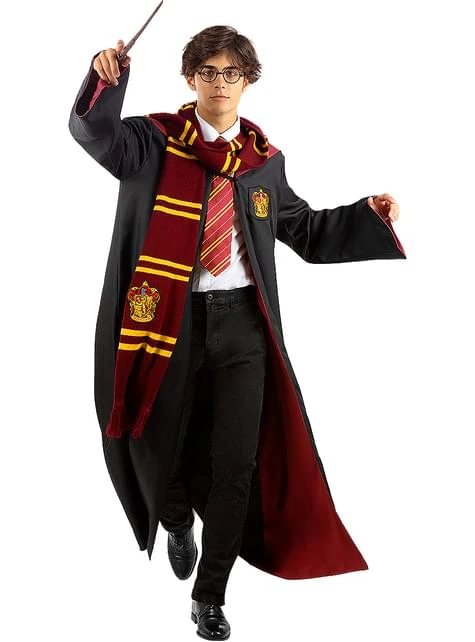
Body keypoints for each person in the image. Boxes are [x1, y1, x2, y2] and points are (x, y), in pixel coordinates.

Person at [68, 24, 406, 640]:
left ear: (247, 81)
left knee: (237, 467)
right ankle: (176, 517)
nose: (219, 83)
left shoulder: (262, 164)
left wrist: (367, 216)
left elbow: (304, 230)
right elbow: (94, 131)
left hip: (244, 328)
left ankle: (210, 596)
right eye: (208, 72)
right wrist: (104, 80)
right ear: (189, 78)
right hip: (167, 324)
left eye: (231, 73)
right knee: (160, 439)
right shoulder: (149, 143)